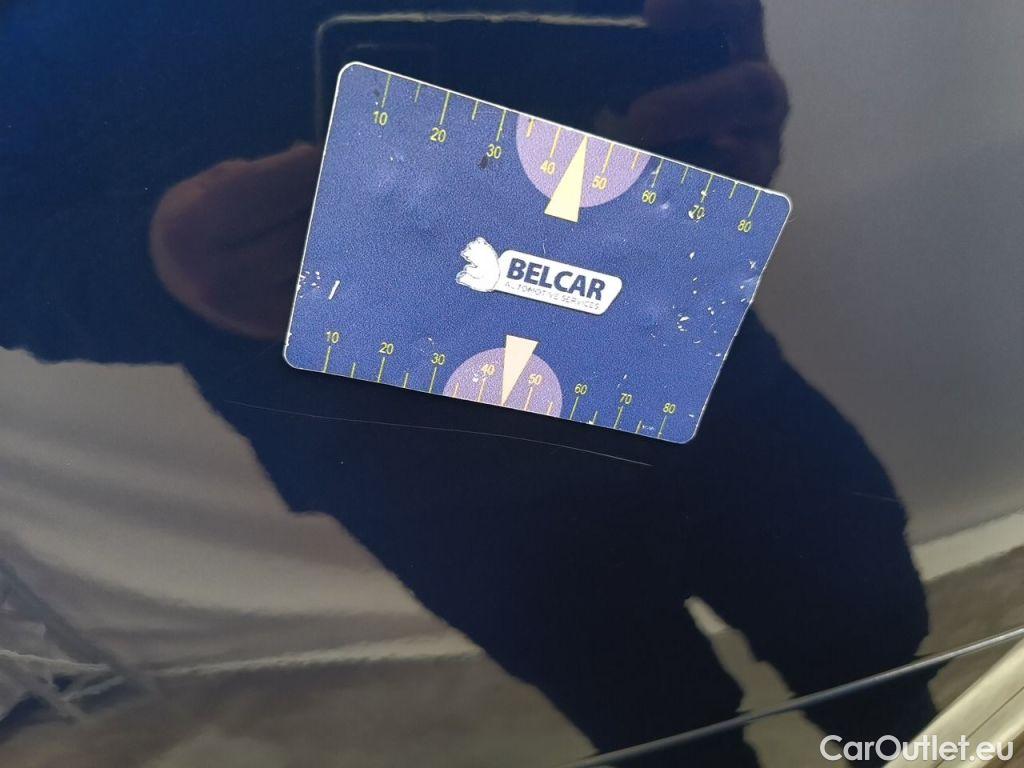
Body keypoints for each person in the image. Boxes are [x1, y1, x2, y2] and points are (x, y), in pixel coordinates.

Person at [2, 0, 933, 764]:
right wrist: (149, 267)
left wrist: (724, 84)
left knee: (870, 647)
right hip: (411, 453)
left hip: (667, 337)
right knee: (663, 727)